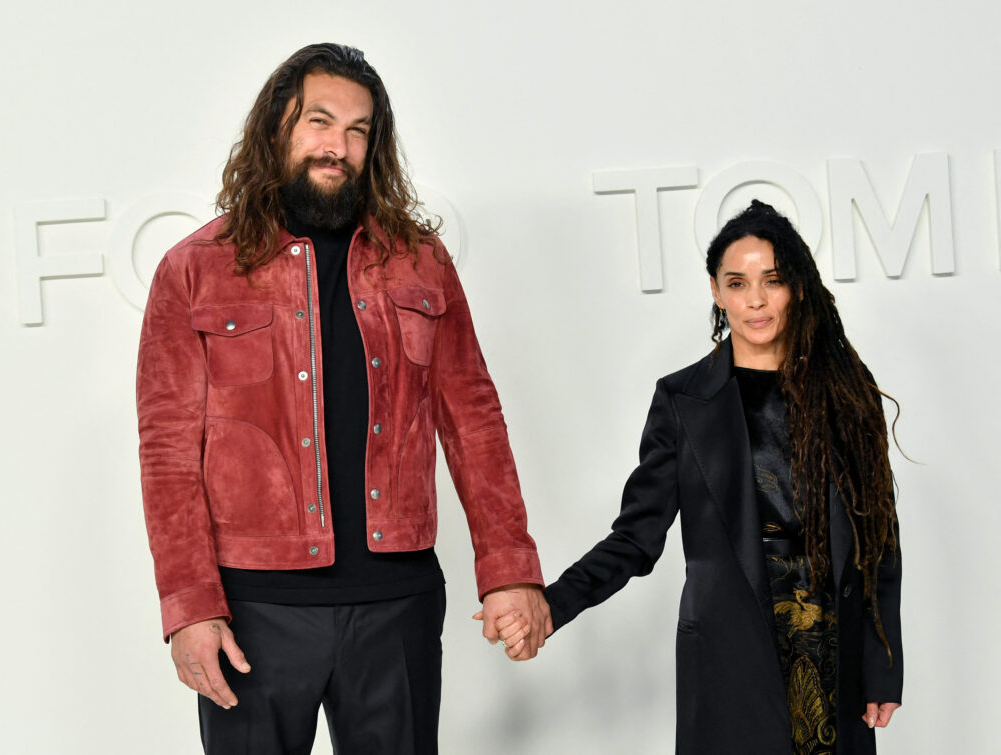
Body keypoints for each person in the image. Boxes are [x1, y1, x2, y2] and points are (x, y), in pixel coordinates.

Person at [136, 42, 550, 755]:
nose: (339, 147)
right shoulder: (193, 271)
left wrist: (510, 570)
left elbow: (474, 421)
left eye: (359, 130)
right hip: (254, 613)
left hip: (398, 606)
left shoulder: (421, 262)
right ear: (277, 131)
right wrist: (189, 609)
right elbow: (169, 455)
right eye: (320, 122)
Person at [495, 200, 902, 754]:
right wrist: (552, 604)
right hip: (731, 660)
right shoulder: (682, 401)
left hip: (833, 656)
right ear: (716, 291)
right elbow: (636, 539)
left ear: (799, 288)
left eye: (773, 281)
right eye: (737, 283)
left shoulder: (847, 393)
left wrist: (881, 667)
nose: (755, 300)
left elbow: (879, 544)